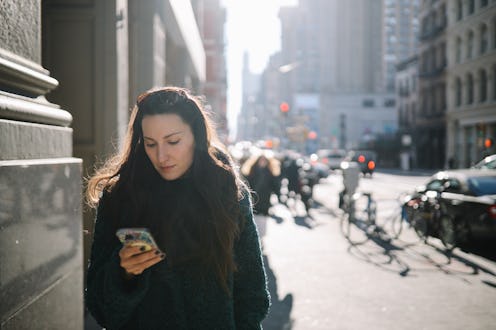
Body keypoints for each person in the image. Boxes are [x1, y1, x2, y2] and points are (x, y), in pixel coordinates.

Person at [84, 87, 270, 329]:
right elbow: (99, 306)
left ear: (197, 136)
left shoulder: (228, 192)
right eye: (150, 144)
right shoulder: (120, 196)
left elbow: (253, 297)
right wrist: (123, 274)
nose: (162, 156)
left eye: (173, 141)